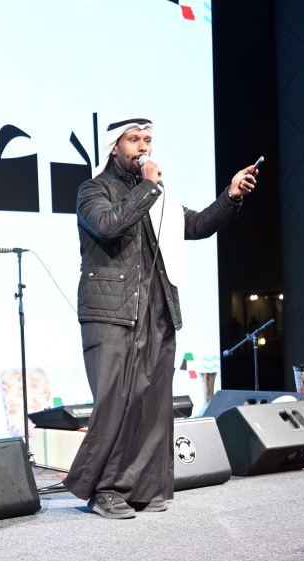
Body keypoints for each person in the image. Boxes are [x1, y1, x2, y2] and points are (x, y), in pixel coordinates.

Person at [64, 117, 257, 519]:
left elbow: (197, 225)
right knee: (115, 402)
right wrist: (149, 189)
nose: (143, 146)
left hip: (157, 310)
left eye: (147, 139)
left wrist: (231, 195)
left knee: (153, 403)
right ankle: (102, 489)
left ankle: (142, 486)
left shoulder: (158, 196)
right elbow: (108, 225)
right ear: (114, 147)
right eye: (134, 139)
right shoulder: (93, 189)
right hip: (110, 312)